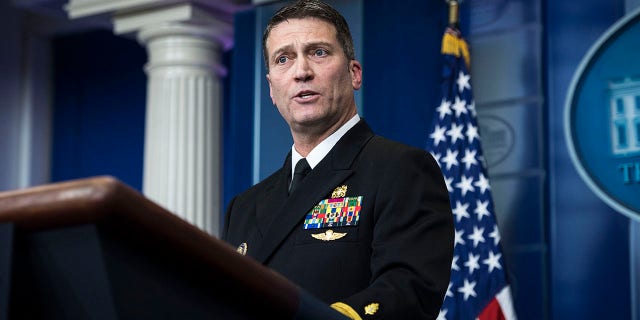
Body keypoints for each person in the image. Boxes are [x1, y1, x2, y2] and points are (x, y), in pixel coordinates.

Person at [222, 0, 454, 318]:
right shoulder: (243, 208)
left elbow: (408, 289)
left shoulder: (401, 170)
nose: (301, 72)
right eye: (283, 58)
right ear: (271, 90)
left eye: (318, 52)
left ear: (354, 73)